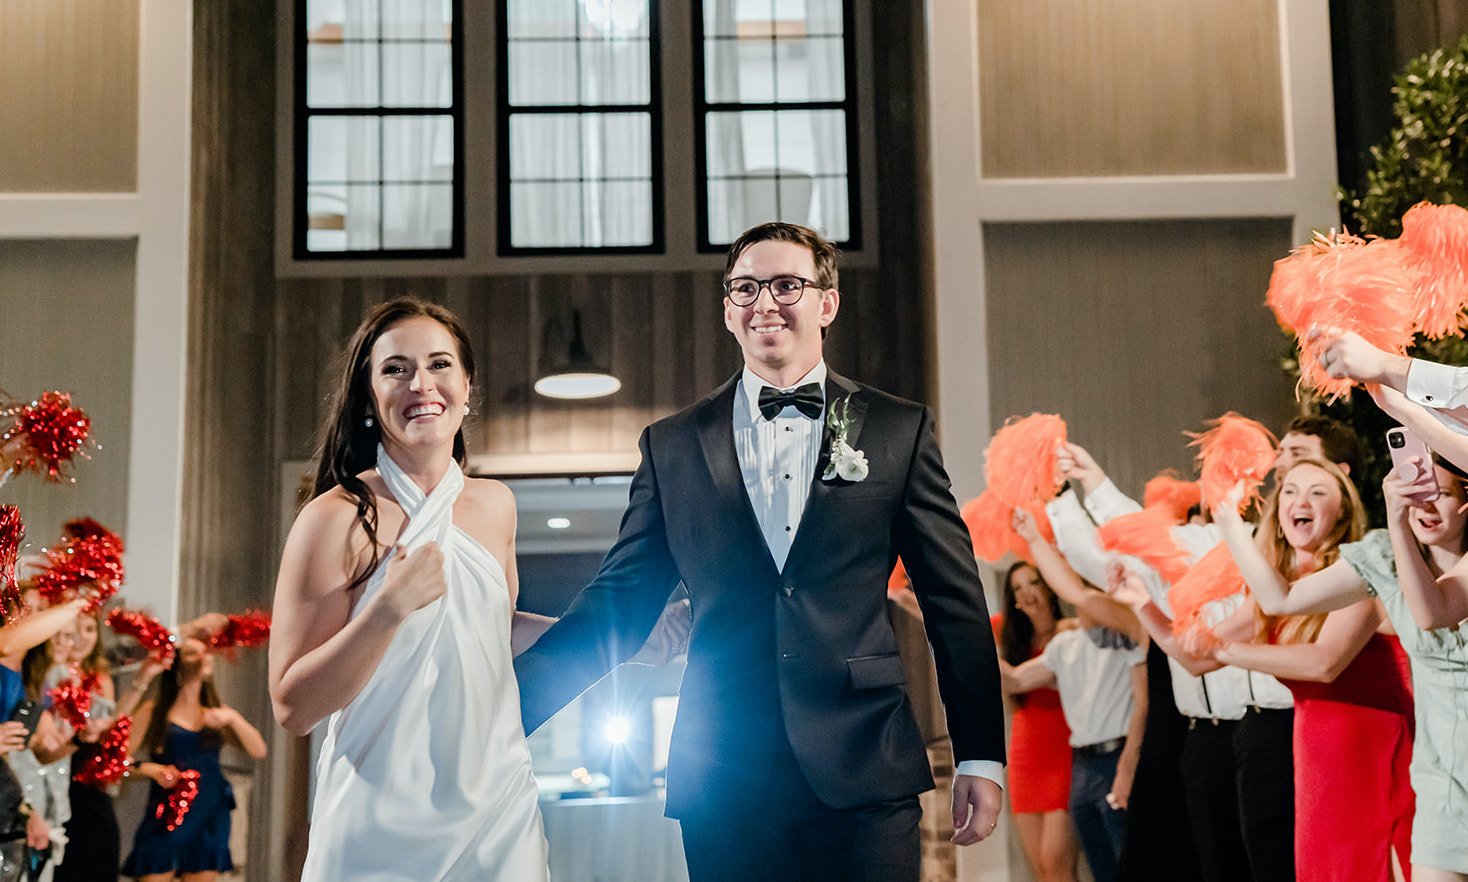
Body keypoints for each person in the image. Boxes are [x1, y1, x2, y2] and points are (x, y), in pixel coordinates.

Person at [513, 222, 1006, 882]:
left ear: (826, 303)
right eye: (745, 288)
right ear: (727, 310)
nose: (764, 302)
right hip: (723, 775)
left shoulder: (896, 429)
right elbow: (619, 600)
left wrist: (980, 754)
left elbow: (955, 604)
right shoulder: (674, 445)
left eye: (786, 285)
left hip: (864, 768)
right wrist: (510, 713)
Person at [268, 298, 687, 882]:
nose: (421, 383)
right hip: (377, 817)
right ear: (367, 395)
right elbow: (293, 705)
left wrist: (630, 643)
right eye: (395, 369)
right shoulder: (336, 517)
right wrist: (385, 610)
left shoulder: (496, 505)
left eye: (440, 365)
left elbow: (494, 627)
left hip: (497, 808)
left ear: (468, 387)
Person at [1231, 455, 1468, 880]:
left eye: (1440, 496)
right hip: (1441, 781)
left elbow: (1433, 613)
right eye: (1416, 496)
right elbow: (1278, 600)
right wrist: (1227, 520)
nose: (1425, 508)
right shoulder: (1384, 557)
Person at [997, 531, 1146, 882]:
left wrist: (1128, 764)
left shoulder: (1126, 636)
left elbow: (1143, 704)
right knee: (1096, 867)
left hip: (1114, 760)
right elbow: (1016, 681)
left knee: (1128, 864)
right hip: (1082, 766)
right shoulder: (1065, 644)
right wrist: (959, 641)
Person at [120, 635, 267, 881]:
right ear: (176, 664)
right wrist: (150, 769)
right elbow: (119, 760)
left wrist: (232, 719)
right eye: (192, 653)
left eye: (205, 652)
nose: (202, 657)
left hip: (209, 809)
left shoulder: (217, 711)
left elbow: (258, 750)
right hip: (168, 812)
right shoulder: (154, 711)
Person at [993, 562, 1079, 882]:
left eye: (1033, 582)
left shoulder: (1067, 630)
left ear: (1048, 587)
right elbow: (960, 624)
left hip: (1064, 754)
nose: (1027, 592)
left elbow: (1015, 681)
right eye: (1018, 587)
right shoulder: (1010, 635)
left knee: (1056, 862)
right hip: (1025, 757)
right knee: (1041, 870)